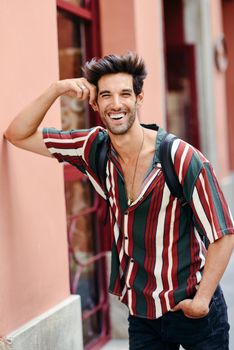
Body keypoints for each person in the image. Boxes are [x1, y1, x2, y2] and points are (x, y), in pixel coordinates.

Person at [4, 52, 234, 350]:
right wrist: (57, 88)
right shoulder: (93, 147)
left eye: (125, 93)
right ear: (95, 104)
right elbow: (17, 134)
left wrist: (202, 301)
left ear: (139, 99)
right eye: (106, 96)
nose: (116, 104)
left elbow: (223, 234)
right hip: (142, 315)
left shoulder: (181, 158)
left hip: (192, 309)